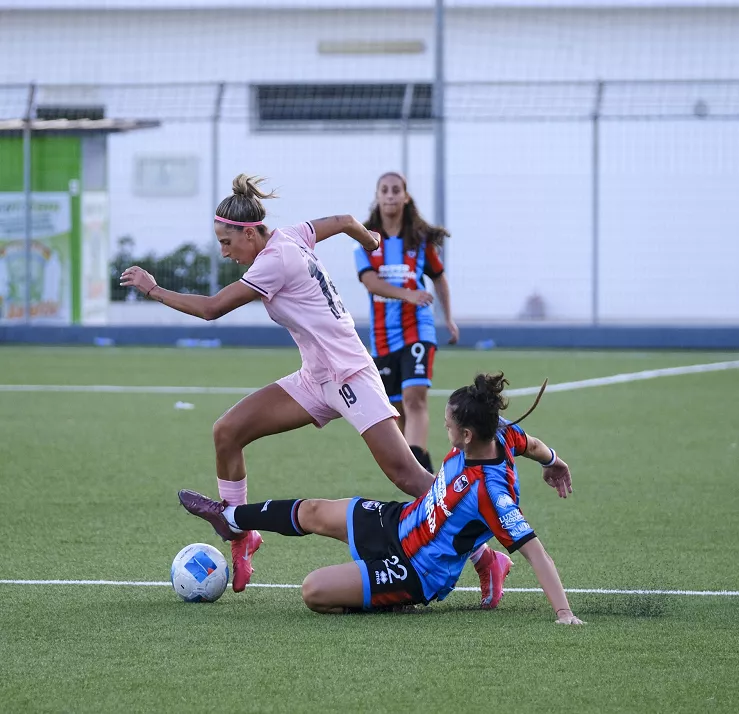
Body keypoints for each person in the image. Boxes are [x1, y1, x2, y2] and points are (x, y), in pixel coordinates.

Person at [119, 174, 510, 605]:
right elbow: (343, 220)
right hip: (315, 376)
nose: (223, 250)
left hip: (350, 376)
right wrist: (368, 240)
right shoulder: (290, 235)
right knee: (227, 431)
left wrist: (153, 289)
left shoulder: (274, 260)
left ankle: (486, 559)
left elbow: (212, 309)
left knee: (408, 476)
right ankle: (241, 535)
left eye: (226, 241)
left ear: (249, 233)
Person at [177, 372, 584, 624]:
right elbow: (530, 444)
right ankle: (230, 517)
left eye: (446, 425)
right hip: (403, 519)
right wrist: (554, 461)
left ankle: (390, 598)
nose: (442, 428)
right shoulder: (497, 431)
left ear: (465, 436)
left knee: (314, 591)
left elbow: (536, 552)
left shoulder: (492, 494)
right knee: (314, 511)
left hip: (415, 570)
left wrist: (564, 613)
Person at [355, 172, 459, 475]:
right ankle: (422, 474)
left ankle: (419, 476)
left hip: (418, 329)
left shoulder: (420, 241)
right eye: (384, 190)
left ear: (406, 197)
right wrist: (408, 294)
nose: (390, 195)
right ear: (377, 196)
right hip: (383, 337)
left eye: (396, 190)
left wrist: (448, 318)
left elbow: (439, 278)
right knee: (396, 410)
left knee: (415, 399)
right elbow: (371, 283)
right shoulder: (365, 239)